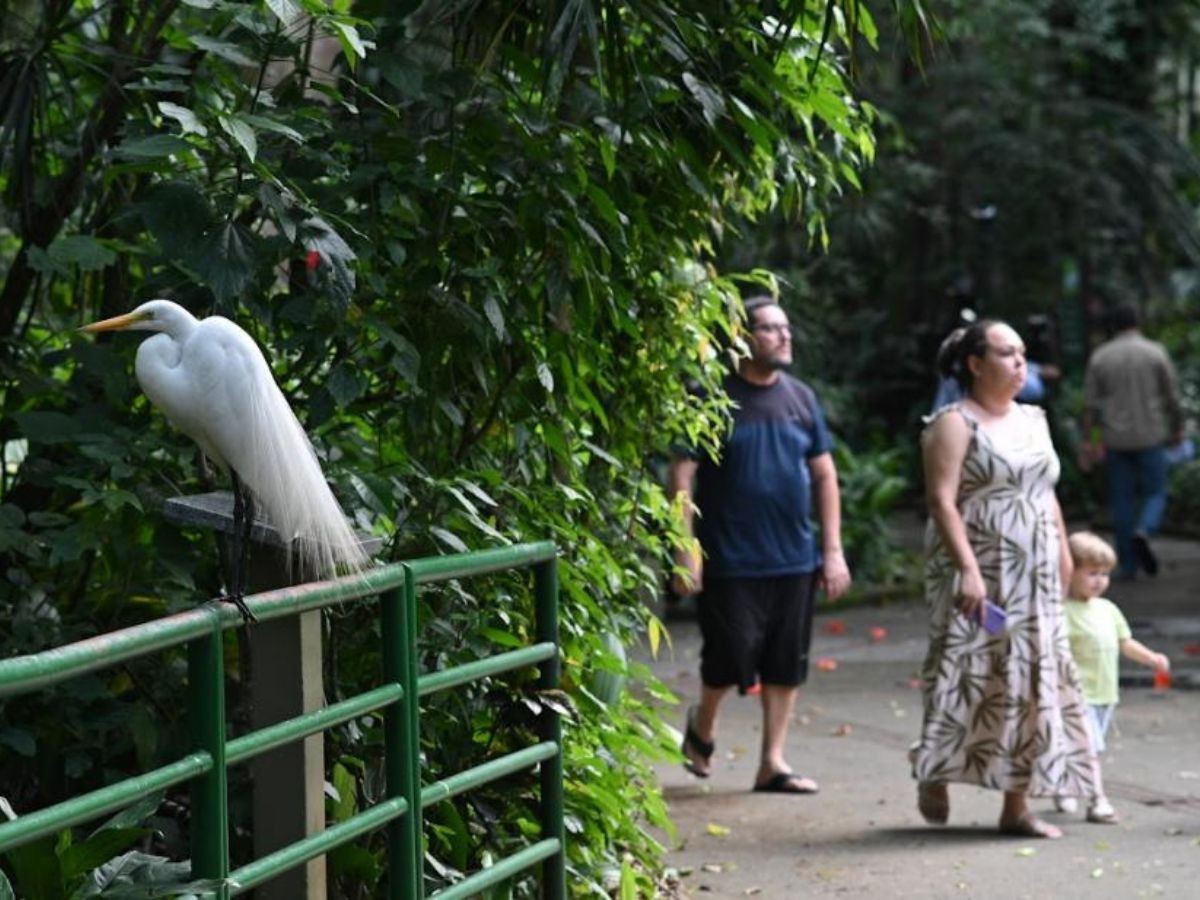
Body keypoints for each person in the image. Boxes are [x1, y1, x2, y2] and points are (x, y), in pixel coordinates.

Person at [911, 319, 1096, 840]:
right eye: (1008, 354)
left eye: (1023, 354)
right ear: (975, 364)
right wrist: (969, 570)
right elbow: (941, 501)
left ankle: (1017, 805)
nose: (1021, 364)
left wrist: (1063, 553)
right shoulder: (953, 422)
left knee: (1032, 677)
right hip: (979, 565)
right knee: (964, 669)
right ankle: (935, 769)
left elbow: (1046, 492)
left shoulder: (1034, 419)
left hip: (1035, 569)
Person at [668, 295, 851, 794]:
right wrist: (685, 548)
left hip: (793, 553)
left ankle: (772, 761)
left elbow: (824, 474)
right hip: (728, 554)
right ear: (742, 338)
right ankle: (702, 727)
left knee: (785, 660)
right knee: (728, 654)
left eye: (785, 327)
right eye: (770, 328)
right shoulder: (709, 396)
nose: (784, 335)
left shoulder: (801, 398)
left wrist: (832, 550)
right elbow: (682, 475)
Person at [1055, 531, 1171, 823]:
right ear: (1070, 571)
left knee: (1086, 748)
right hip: (1073, 694)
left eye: (1105, 574)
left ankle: (1063, 784)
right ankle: (1098, 800)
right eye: (1092, 573)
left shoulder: (1108, 610)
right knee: (1089, 748)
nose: (1100, 580)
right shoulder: (1060, 612)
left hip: (1105, 694)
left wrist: (1151, 659)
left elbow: (1124, 642)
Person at [1080, 303, 1184, 579]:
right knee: (1156, 492)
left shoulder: (1101, 357)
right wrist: (1177, 428)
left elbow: (1091, 407)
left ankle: (1127, 565)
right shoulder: (1155, 353)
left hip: (1115, 439)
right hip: (1151, 435)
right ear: (1138, 322)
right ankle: (1144, 530)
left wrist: (1093, 441)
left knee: (1121, 500)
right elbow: (1171, 396)